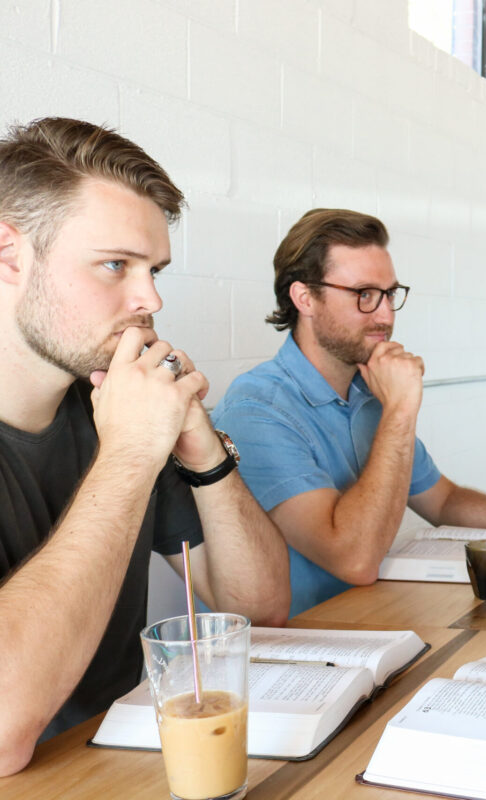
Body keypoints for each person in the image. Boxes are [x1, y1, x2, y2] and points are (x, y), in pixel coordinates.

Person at [0, 118, 291, 775]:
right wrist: (130, 454)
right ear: (9, 254)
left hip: (121, 765)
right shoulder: (127, 427)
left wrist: (202, 451)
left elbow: (262, 607)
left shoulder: (115, 403)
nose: (150, 298)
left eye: (153, 269)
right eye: (115, 265)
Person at [213, 209, 486, 617]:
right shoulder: (257, 410)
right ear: (304, 297)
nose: (386, 316)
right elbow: (353, 560)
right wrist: (400, 408)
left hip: (371, 624)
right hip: (294, 654)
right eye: (364, 295)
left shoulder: (370, 389)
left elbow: (442, 501)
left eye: (390, 294)